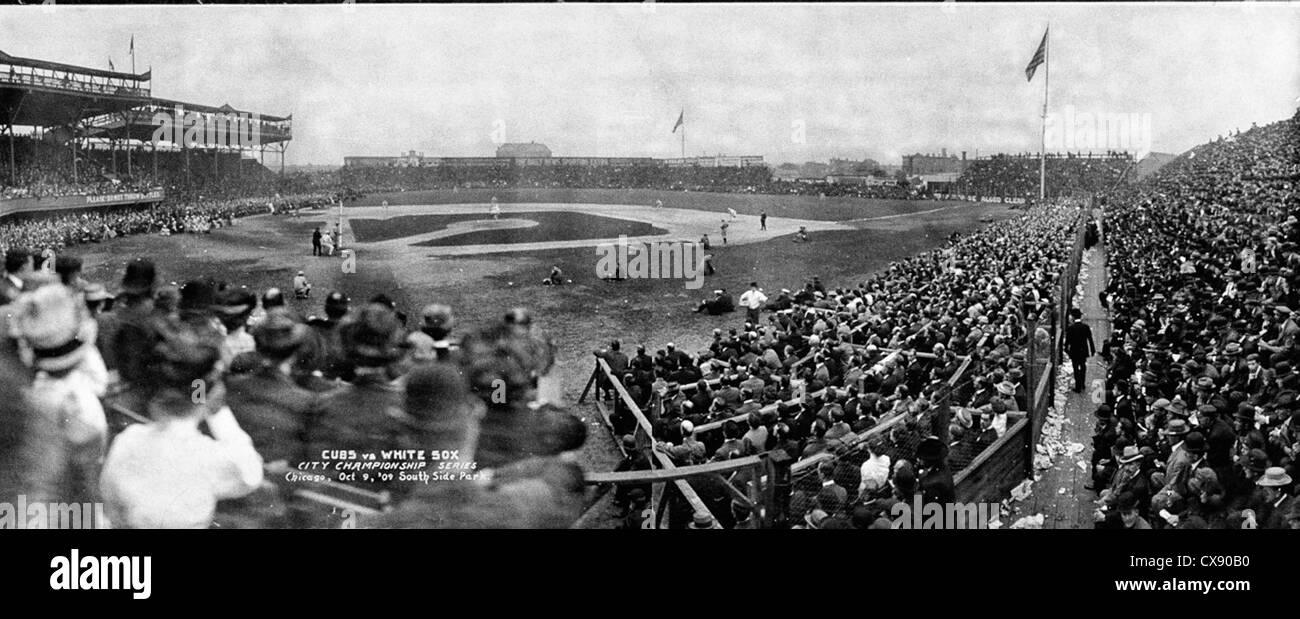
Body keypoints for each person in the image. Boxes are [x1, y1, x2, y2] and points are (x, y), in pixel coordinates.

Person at [98, 317, 264, 528]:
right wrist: (216, 410)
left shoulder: (127, 441)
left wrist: (203, 394)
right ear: (209, 391)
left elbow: (111, 508)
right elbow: (251, 473)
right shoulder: (212, 456)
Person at [1063, 307, 1095, 393]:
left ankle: (1078, 386)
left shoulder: (1071, 328)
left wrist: (1066, 349)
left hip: (1074, 351)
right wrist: (1092, 350)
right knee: (1083, 366)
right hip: (1083, 350)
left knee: (1076, 368)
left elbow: (1068, 341)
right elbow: (1090, 339)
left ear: (1073, 317)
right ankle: (1083, 383)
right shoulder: (1085, 327)